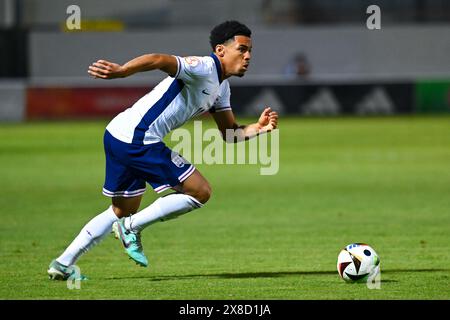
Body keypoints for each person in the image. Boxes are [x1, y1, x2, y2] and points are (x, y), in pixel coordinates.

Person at [47, 20, 278, 280]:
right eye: (242, 49)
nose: (248, 56)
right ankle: (131, 228)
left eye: (250, 51)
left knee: (121, 209)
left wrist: (258, 129)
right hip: (138, 138)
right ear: (221, 51)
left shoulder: (222, 88)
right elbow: (159, 59)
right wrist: (123, 71)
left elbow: (229, 133)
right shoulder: (203, 67)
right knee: (200, 191)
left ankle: (63, 263)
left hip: (117, 134)